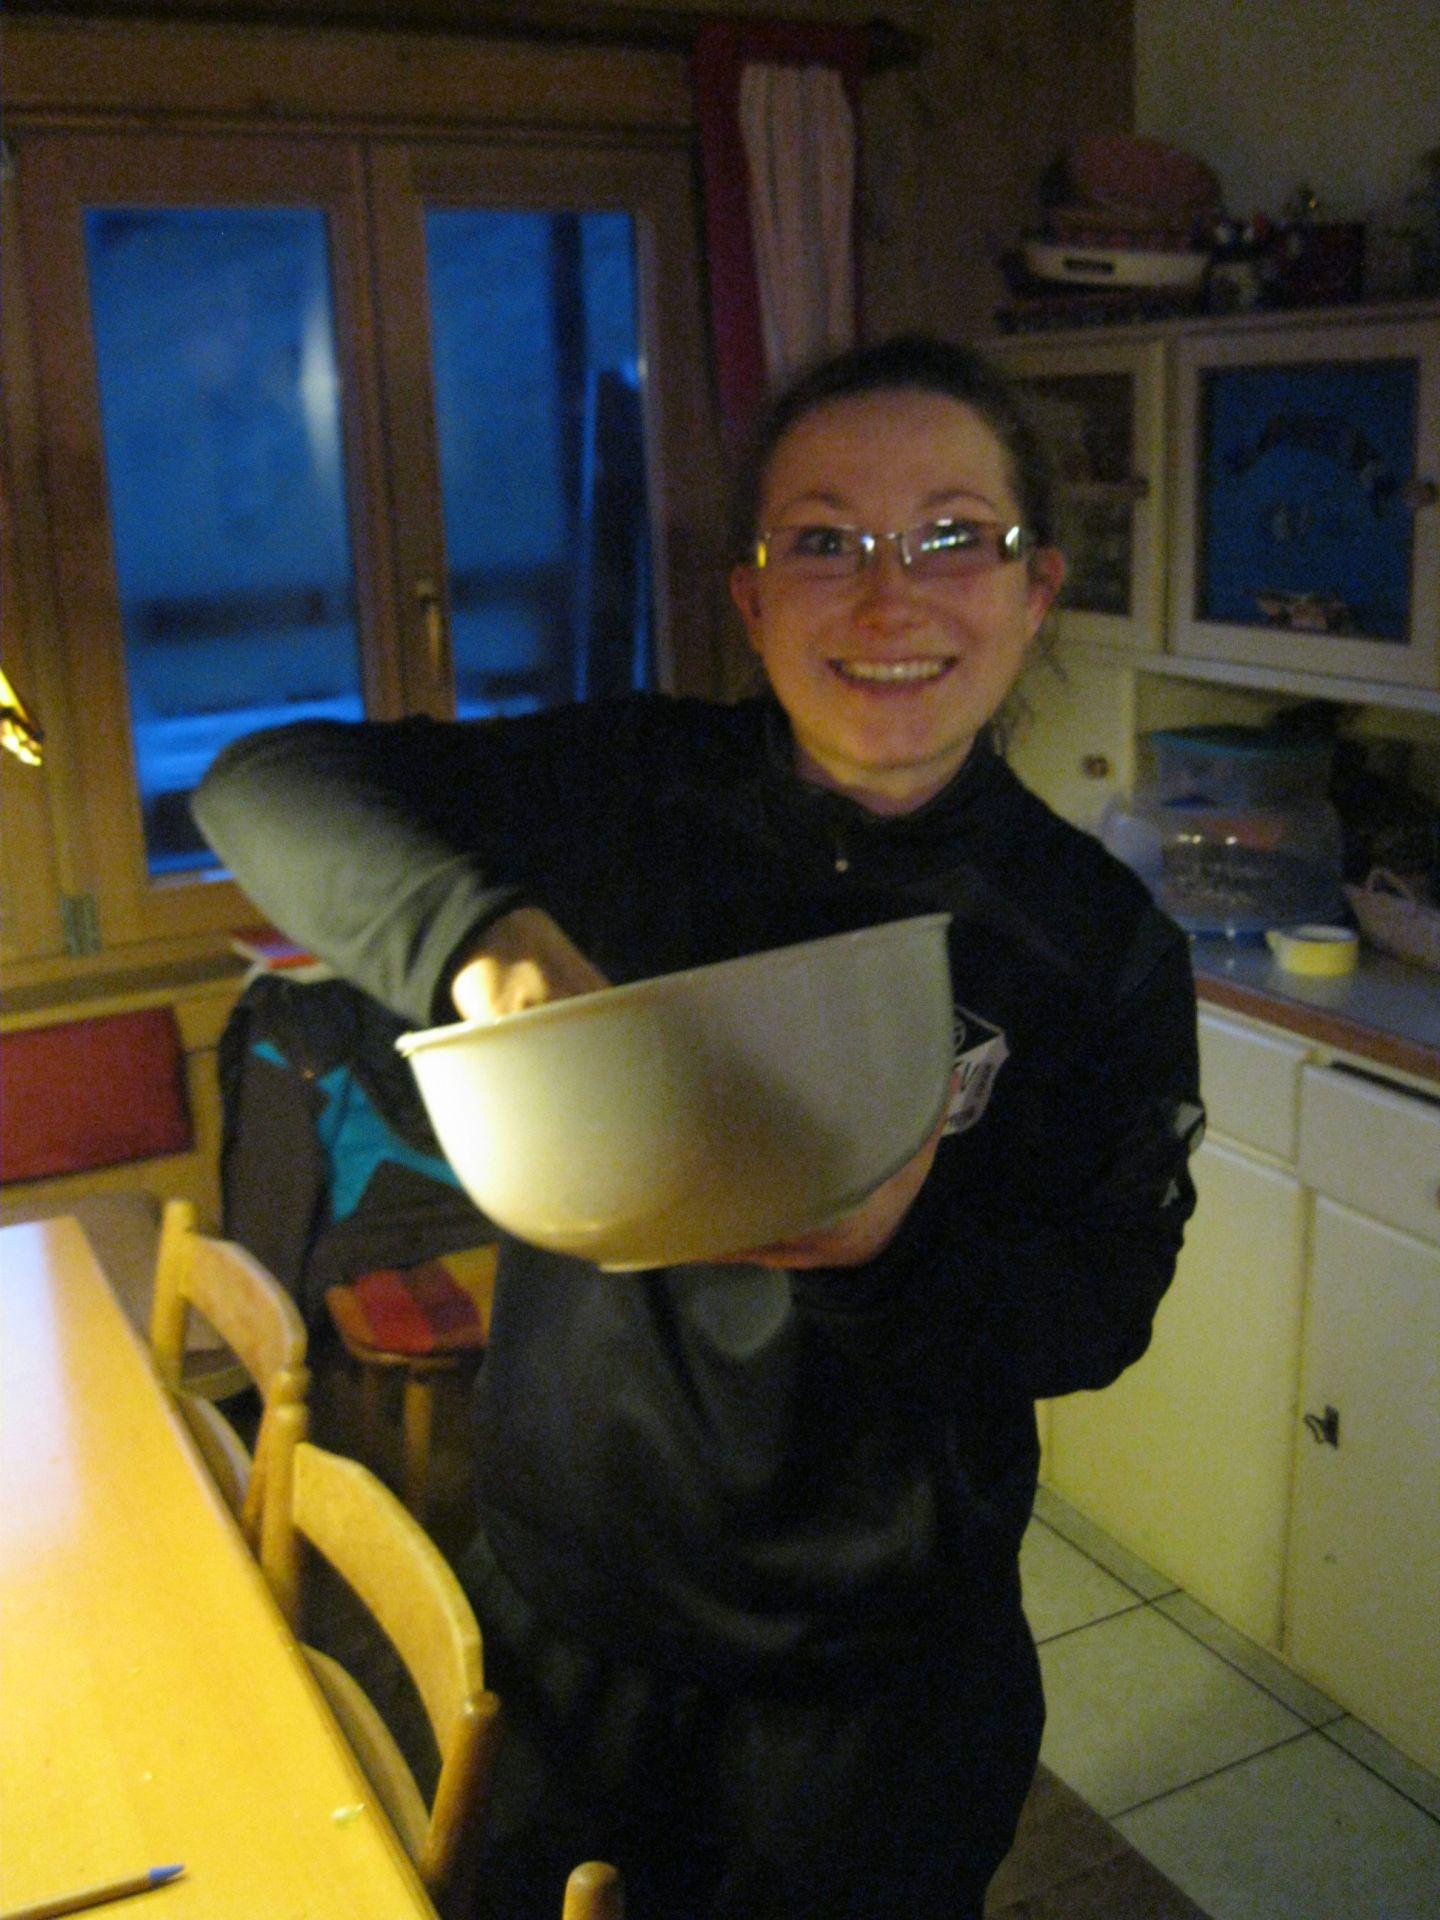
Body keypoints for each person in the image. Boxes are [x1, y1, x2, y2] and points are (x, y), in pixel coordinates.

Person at [194, 334, 1203, 1920]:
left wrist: (888, 1258)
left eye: (952, 535)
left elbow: (1098, 1314)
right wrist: (487, 939)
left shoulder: (1097, 941)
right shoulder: (629, 789)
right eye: (825, 541)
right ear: (751, 596)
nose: (889, 599)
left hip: (882, 1676)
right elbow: (261, 783)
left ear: (1035, 590)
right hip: (564, 1624)